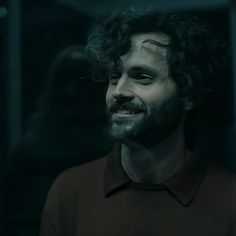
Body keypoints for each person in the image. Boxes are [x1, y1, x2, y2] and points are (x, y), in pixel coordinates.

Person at [40, 8, 236, 236]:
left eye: (142, 77)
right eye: (114, 77)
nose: (119, 91)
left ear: (188, 95)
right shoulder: (69, 192)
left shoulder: (229, 201)